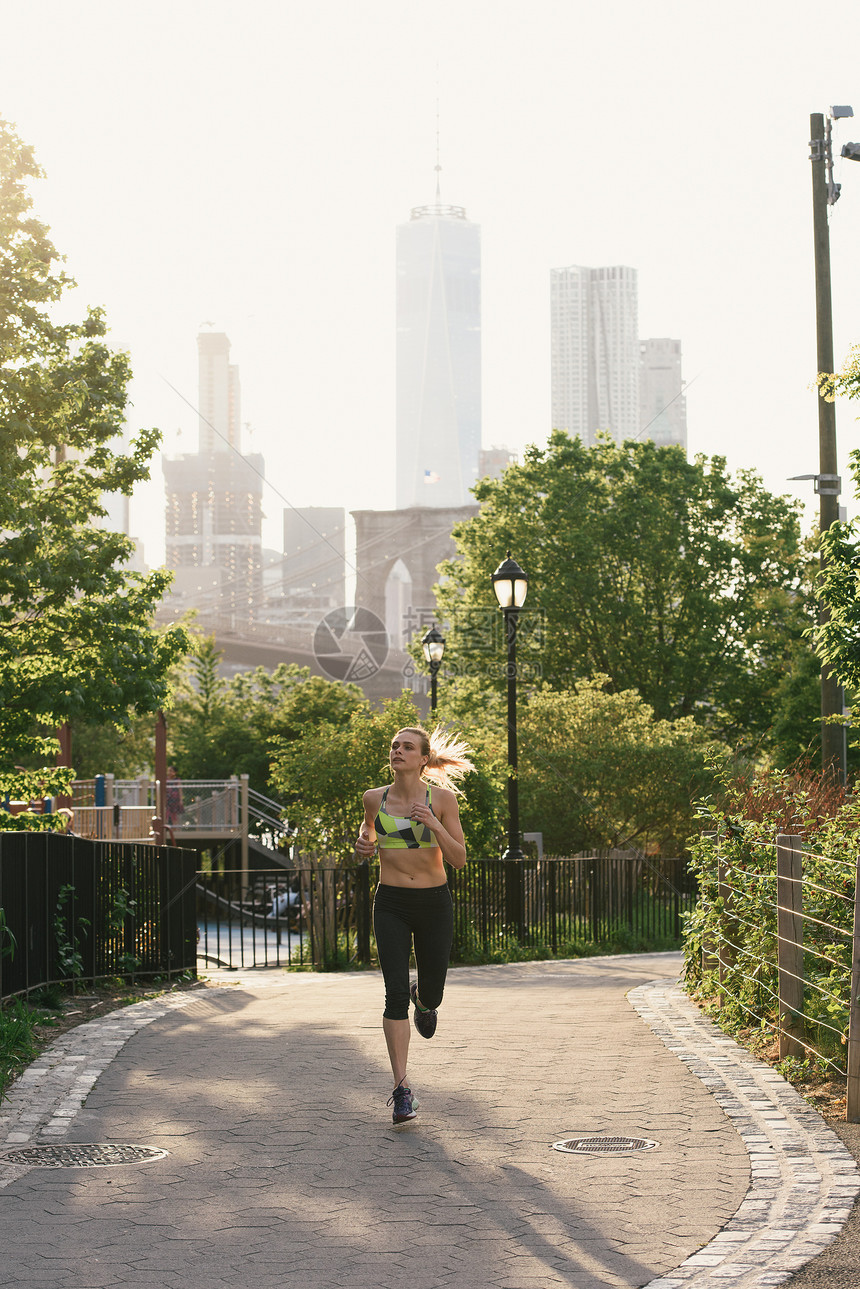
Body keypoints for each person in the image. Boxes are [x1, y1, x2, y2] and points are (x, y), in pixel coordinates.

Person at [355, 725, 474, 1126]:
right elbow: (367, 832)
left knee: (434, 994)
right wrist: (363, 843)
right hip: (390, 902)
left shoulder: (442, 799)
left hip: (433, 903)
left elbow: (458, 859)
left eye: (408, 747)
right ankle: (401, 1090)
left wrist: (435, 825)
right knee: (391, 996)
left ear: (424, 758)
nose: (398, 751)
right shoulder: (375, 798)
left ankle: (422, 998)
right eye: (394, 746)